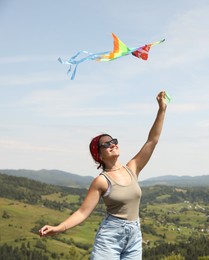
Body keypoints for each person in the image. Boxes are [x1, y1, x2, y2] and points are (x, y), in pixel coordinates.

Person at [39, 90, 168, 259]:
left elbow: (152, 140)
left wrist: (162, 110)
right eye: (106, 144)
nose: (112, 144)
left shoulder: (132, 168)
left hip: (135, 235)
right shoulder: (101, 181)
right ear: (99, 155)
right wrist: (60, 228)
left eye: (114, 141)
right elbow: (82, 212)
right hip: (110, 237)